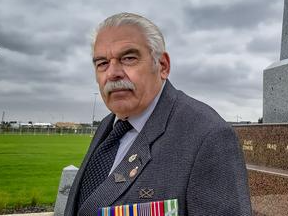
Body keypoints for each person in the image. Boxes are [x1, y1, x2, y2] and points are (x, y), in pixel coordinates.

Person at [65, 12, 251, 216]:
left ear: (162, 66)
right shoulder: (108, 127)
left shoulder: (208, 135)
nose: (112, 73)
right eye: (102, 63)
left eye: (128, 58)